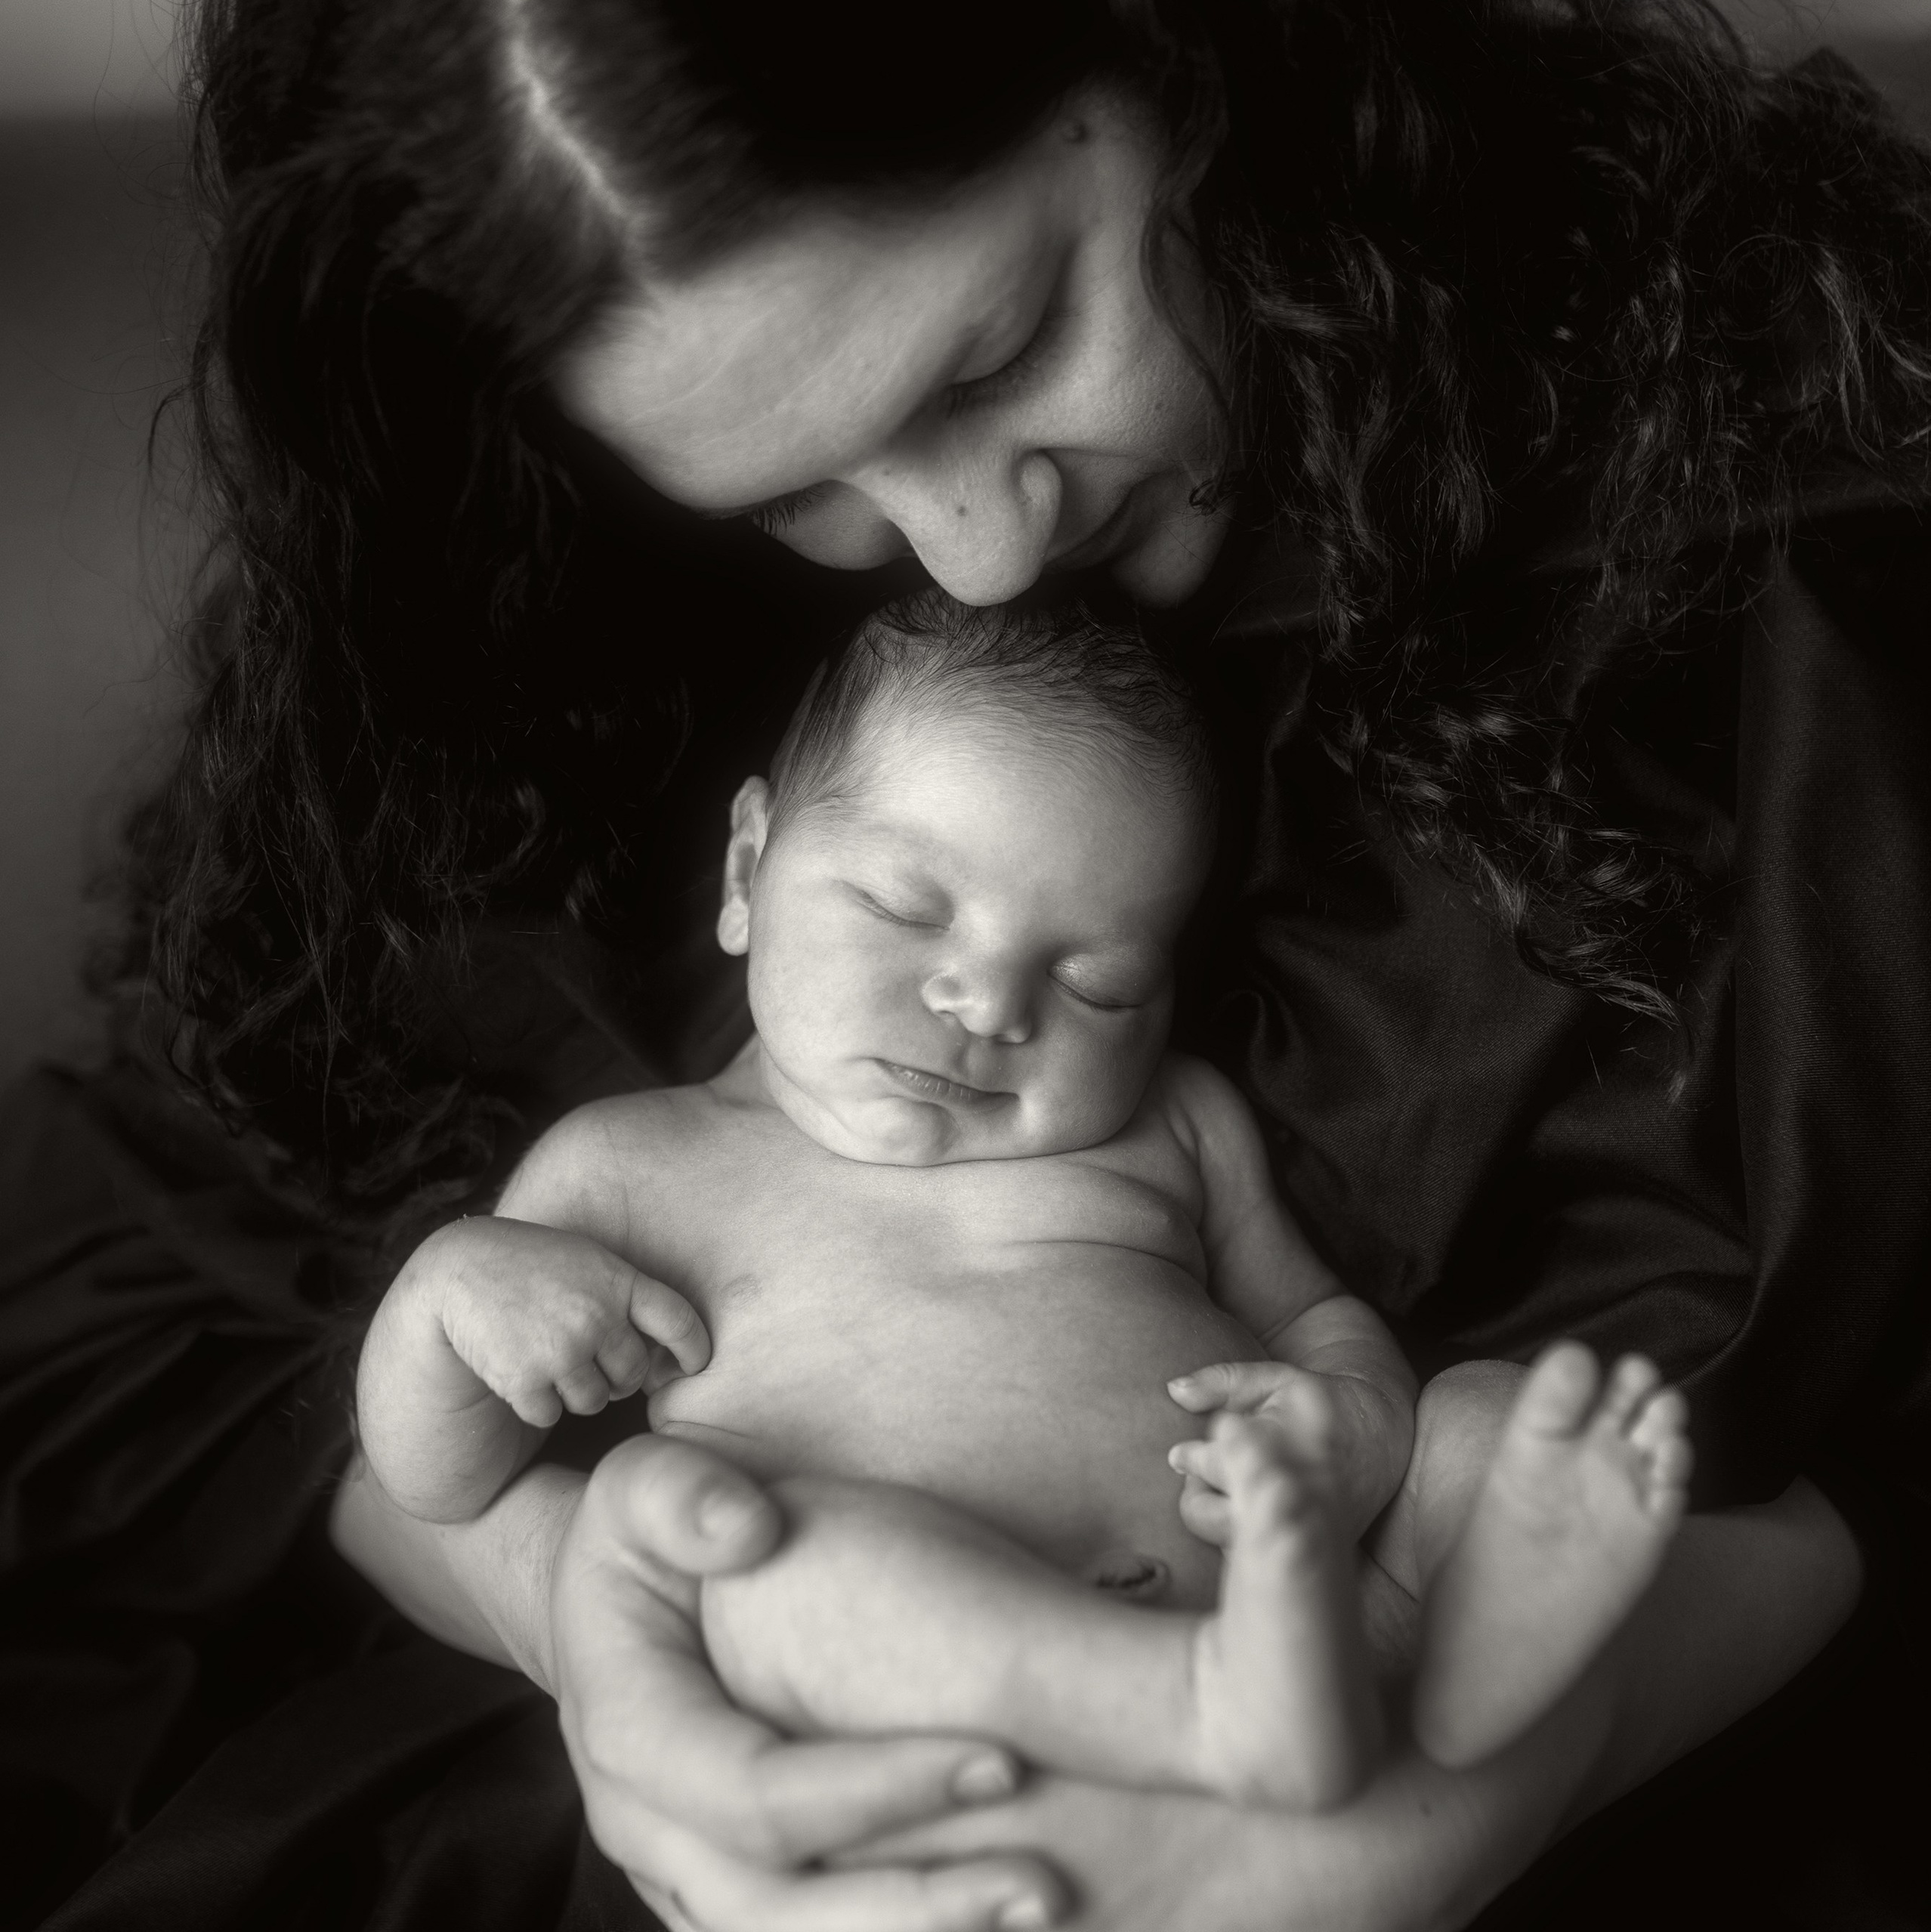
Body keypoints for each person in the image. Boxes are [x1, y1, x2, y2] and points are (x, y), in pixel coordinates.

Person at [5, 1, 1925, 1928]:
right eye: (791, 488)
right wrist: (589, 1625)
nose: (976, 556)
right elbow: (170, 1295)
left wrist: (1446, 1810)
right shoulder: (560, 664)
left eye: (1001, 350)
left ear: (1171, 60)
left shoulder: (1758, 507)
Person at [354, 593, 1694, 1814]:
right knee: (763, 1570)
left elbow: (1325, 1321)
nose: (989, 1007)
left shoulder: (1172, 1124)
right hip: (907, 1721)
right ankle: (1225, 1716)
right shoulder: (632, 1164)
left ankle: (1454, 1683)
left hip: (1294, 1641)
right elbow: (441, 1479)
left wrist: (1349, 1425)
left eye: (1098, 983)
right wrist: (450, 1296)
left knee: (1476, 1422)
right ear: (746, 870)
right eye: (901, 907)